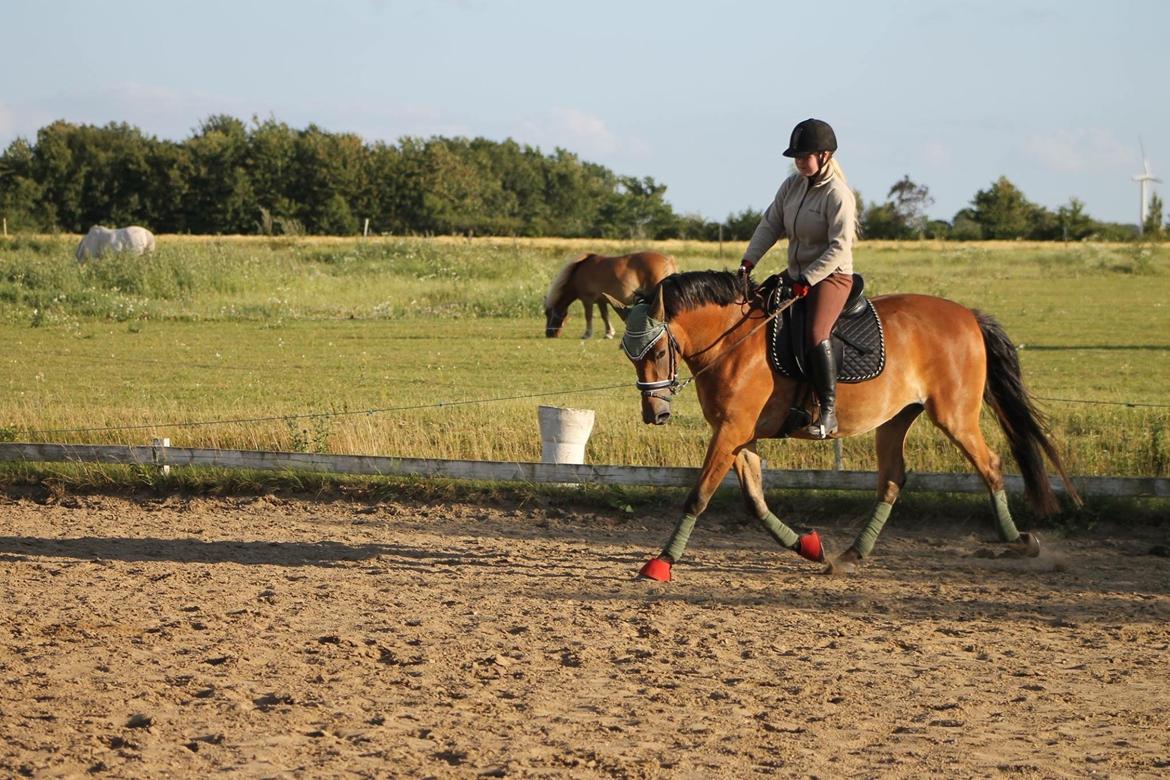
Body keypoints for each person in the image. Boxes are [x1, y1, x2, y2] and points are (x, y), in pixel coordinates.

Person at [737, 117, 857, 439]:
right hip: (796, 276)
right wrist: (749, 260)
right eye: (797, 157)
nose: (799, 162)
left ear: (825, 156)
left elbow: (839, 247)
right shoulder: (791, 186)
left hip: (832, 277)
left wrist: (809, 277)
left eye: (804, 156)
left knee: (816, 333)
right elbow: (770, 225)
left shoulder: (838, 194)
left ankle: (828, 413)